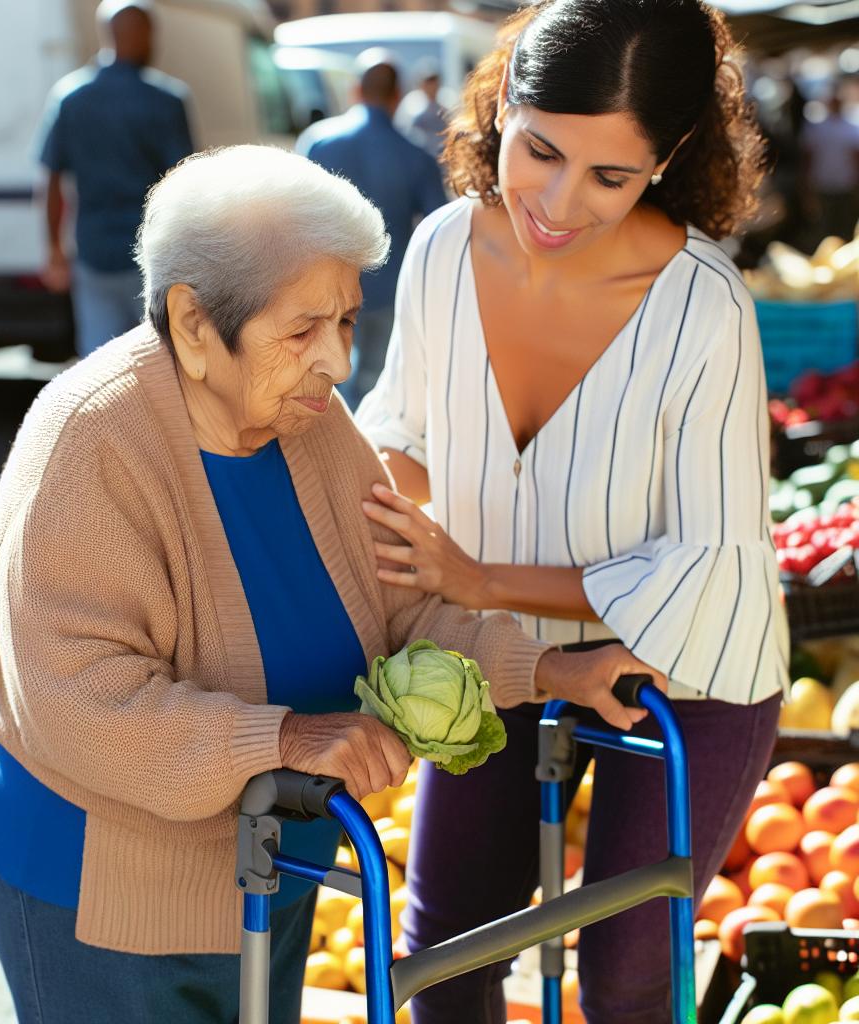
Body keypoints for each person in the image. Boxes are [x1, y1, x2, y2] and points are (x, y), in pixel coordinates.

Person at [0, 145, 662, 1024]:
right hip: (106, 899)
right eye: (302, 331)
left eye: (346, 323)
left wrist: (552, 672)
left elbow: (405, 603)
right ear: (191, 323)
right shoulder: (92, 442)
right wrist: (283, 738)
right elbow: (85, 700)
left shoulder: (310, 421)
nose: (336, 362)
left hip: (269, 868)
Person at [355, 2, 789, 1022]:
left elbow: (706, 557)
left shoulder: (704, 307)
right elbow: (398, 425)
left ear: (670, 156)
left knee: (626, 973)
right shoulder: (439, 250)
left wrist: (474, 578)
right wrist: (392, 513)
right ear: (503, 101)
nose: (555, 202)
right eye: (538, 150)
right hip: (504, 652)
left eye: (609, 175)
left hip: (688, 671)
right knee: (442, 948)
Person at [36, 0, 195, 358]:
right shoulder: (166, 100)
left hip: (94, 253)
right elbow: (185, 184)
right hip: (152, 254)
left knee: (100, 362)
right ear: (145, 36)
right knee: (157, 361)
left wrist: (54, 250)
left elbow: (51, 179)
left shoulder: (71, 97)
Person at [297, 51, 447, 410]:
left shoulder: (318, 142)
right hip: (387, 285)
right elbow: (439, 226)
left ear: (355, 91)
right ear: (397, 97)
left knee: (322, 377)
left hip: (321, 285)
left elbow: (294, 217)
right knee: (376, 382)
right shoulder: (416, 155)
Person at [800, 84, 859, 243]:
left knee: (846, 227)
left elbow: (855, 158)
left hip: (845, 185)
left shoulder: (852, 127)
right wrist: (807, 186)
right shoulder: (816, 128)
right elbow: (808, 158)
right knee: (825, 229)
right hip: (823, 185)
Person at [395, 58, 449, 158]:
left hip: (441, 158)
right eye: (428, 82)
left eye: (434, 81)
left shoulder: (446, 103)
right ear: (422, 84)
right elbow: (403, 132)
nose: (432, 86)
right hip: (418, 158)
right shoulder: (410, 105)